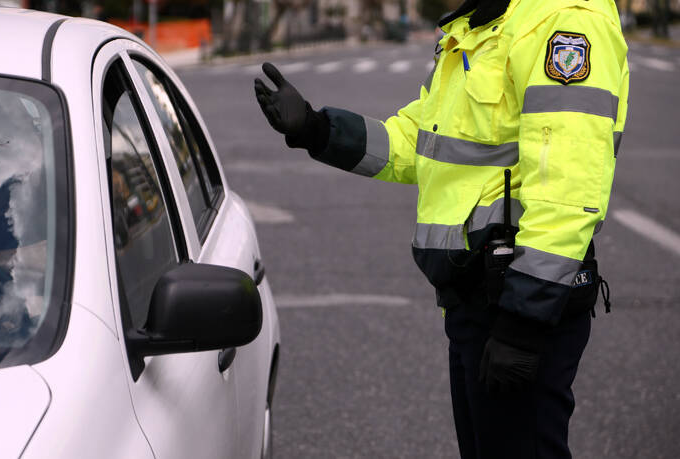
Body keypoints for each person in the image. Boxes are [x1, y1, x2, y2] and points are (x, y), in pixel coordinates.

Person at [254, 0, 629, 457]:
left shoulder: (563, 20)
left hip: (519, 307)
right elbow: (419, 142)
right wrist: (317, 129)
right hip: (476, 302)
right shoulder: (478, 28)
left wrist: (522, 324)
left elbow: (566, 192)